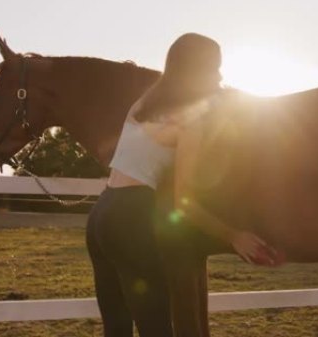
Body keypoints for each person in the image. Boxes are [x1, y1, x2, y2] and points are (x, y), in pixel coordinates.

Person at [85, 33, 278, 337]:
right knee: (157, 329)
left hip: (101, 214)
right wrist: (234, 236)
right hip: (129, 219)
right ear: (197, 71)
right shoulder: (189, 124)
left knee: (117, 329)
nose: (219, 75)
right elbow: (183, 203)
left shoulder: (143, 102)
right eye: (214, 68)